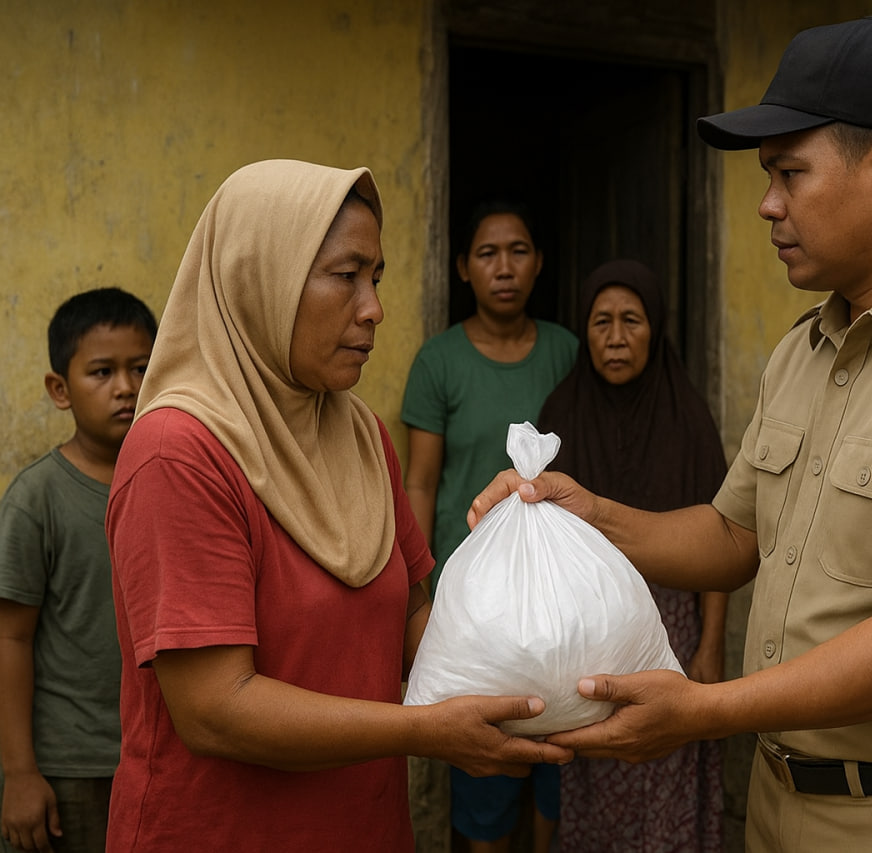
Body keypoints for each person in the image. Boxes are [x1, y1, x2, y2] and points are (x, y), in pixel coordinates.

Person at [468, 17, 872, 852]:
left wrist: (703, 710)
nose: (767, 204)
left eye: (789, 173)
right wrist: (585, 513)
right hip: (778, 800)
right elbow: (734, 536)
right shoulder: (807, 348)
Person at [104, 159, 571, 853]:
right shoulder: (179, 451)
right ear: (259, 277)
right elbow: (215, 710)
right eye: (345, 274)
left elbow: (414, 613)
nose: (374, 306)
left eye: (375, 277)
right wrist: (427, 728)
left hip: (363, 826)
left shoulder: (360, 433)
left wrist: (532, 684)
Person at [401, 200, 576, 852]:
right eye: (487, 253)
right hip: (470, 596)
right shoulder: (439, 361)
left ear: (538, 263)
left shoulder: (566, 350)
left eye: (519, 251)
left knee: (561, 749)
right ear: (462, 269)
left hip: (558, 596)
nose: (504, 267)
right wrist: (418, 589)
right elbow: (420, 480)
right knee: (484, 768)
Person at [537, 258, 727, 852]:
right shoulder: (561, 415)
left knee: (668, 770)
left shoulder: (688, 417)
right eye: (600, 322)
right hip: (584, 635)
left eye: (631, 321)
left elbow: (722, 543)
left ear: (656, 328)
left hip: (670, 633)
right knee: (596, 770)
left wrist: (711, 644)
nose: (615, 338)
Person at [0, 288, 156, 853]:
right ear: (59, 390)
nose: (126, 387)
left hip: (161, 754)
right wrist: (20, 772)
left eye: (141, 367)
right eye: (102, 371)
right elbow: (10, 636)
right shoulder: (37, 498)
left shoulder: (173, 484)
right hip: (72, 765)